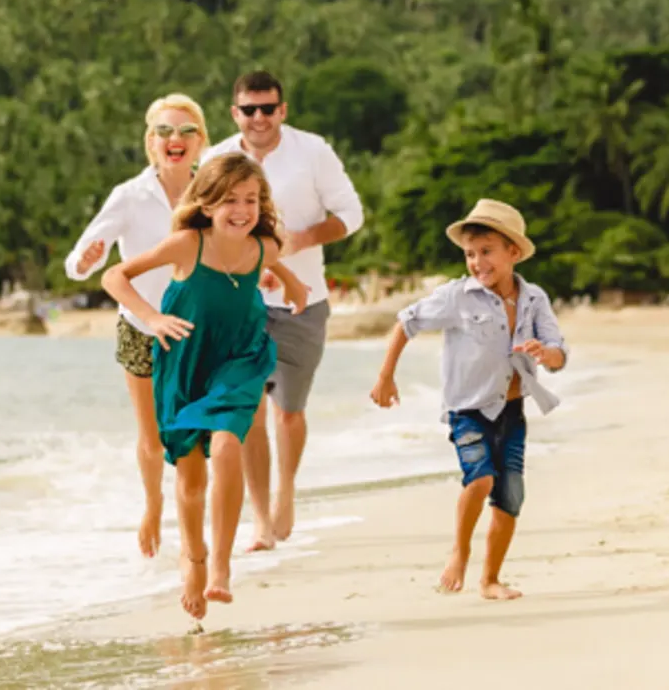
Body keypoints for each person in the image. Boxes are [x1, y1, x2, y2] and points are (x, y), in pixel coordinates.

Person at [101, 153, 309, 620]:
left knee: (229, 445)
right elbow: (114, 276)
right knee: (192, 481)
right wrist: (152, 318)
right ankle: (193, 556)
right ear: (208, 203)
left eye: (252, 200)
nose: (242, 210)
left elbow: (275, 259)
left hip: (240, 360)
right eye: (231, 200)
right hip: (186, 363)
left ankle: (220, 565)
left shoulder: (261, 247)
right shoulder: (187, 244)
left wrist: (294, 286)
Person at [369, 199, 568, 601]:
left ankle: (490, 580)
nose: (477, 262)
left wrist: (546, 354)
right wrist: (385, 376)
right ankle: (459, 551)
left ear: (513, 252)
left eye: (486, 251)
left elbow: (559, 352)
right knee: (480, 478)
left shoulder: (534, 299)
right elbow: (406, 322)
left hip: (512, 411)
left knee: (510, 499)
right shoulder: (456, 296)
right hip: (468, 411)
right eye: (470, 254)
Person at [198, 70, 365, 551]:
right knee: (248, 410)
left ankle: (285, 492)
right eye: (249, 109)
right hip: (238, 303)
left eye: (268, 108)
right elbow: (199, 223)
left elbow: (351, 215)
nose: (259, 118)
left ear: (282, 110)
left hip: (302, 301)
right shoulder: (215, 159)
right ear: (235, 113)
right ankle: (260, 521)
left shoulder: (313, 151)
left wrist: (301, 239)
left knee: (288, 411)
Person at [64, 93, 210, 558]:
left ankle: (193, 537)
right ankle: (153, 504)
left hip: (195, 330)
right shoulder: (128, 195)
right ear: (151, 142)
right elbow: (81, 260)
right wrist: (85, 259)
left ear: (201, 141)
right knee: (151, 436)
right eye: (164, 131)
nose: (175, 138)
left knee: (189, 436)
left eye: (186, 131)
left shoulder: (212, 191)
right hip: (140, 327)